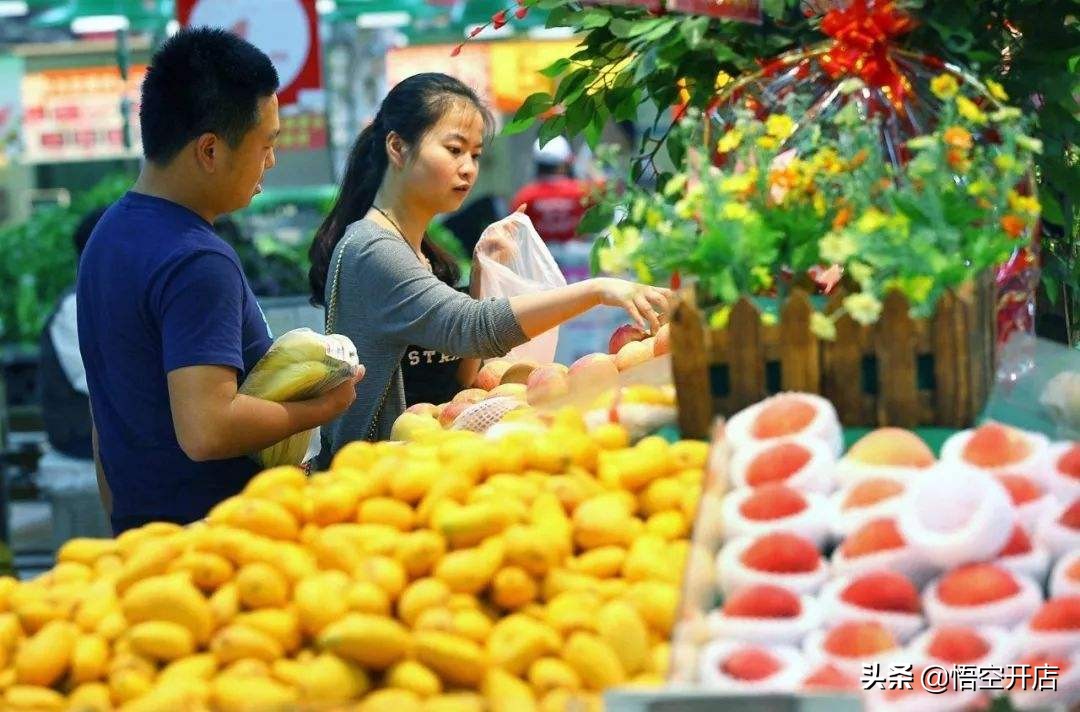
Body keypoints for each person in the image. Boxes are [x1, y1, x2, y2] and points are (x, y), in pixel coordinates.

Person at [77, 28, 362, 534]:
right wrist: (322, 407)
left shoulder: (108, 235)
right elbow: (207, 429)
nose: (270, 161)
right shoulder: (197, 260)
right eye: (266, 144)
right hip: (218, 539)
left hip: (143, 530)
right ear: (210, 151)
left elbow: (107, 412)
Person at [308, 72, 669, 455]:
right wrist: (597, 289)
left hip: (434, 463)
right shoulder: (373, 249)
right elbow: (472, 328)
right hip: (378, 476)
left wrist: (481, 279)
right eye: (454, 149)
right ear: (397, 148)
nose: (468, 167)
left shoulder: (423, 253)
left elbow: (461, 383)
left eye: (476, 154)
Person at [510, 136, 590, 243]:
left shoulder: (524, 197)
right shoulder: (582, 191)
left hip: (539, 257)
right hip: (580, 257)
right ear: (563, 165)